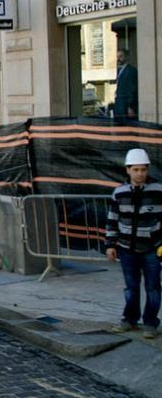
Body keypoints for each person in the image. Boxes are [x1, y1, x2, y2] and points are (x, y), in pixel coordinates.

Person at [106, 148, 161, 339]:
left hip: (152, 250)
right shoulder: (119, 193)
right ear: (128, 170)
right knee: (131, 287)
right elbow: (112, 220)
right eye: (136, 169)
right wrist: (110, 245)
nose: (140, 173)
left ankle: (150, 323)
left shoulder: (158, 191)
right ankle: (129, 319)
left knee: (153, 288)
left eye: (143, 169)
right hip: (126, 249)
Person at [113, 48, 138, 119]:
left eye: (121, 56)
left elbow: (133, 89)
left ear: (127, 57)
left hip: (126, 104)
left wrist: (131, 106)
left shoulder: (131, 71)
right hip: (119, 103)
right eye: (117, 57)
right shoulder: (119, 70)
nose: (118, 59)